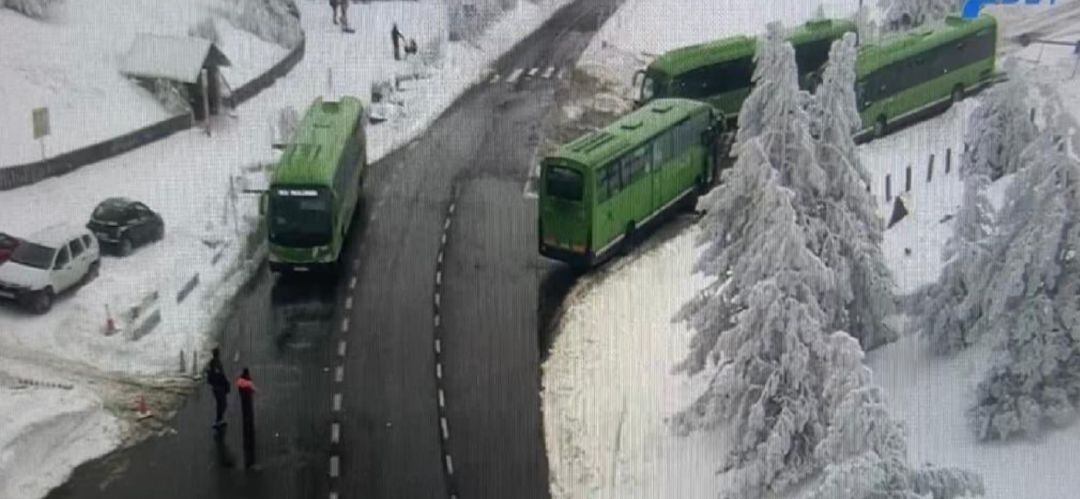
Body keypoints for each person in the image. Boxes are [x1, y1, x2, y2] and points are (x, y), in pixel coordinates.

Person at [236, 368, 257, 469]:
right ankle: (249, 429)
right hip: (247, 400)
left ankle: (246, 426)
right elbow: (252, 389)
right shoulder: (247, 381)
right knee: (249, 413)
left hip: (243, 400)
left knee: (245, 413)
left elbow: (240, 388)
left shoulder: (240, 381)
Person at [205, 348, 230, 428]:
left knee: (221, 404)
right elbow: (220, 375)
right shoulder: (216, 363)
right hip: (219, 386)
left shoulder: (213, 363)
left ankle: (220, 420)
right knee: (222, 404)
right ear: (217, 354)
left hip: (216, 387)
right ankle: (218, 421)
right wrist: (226, 383)